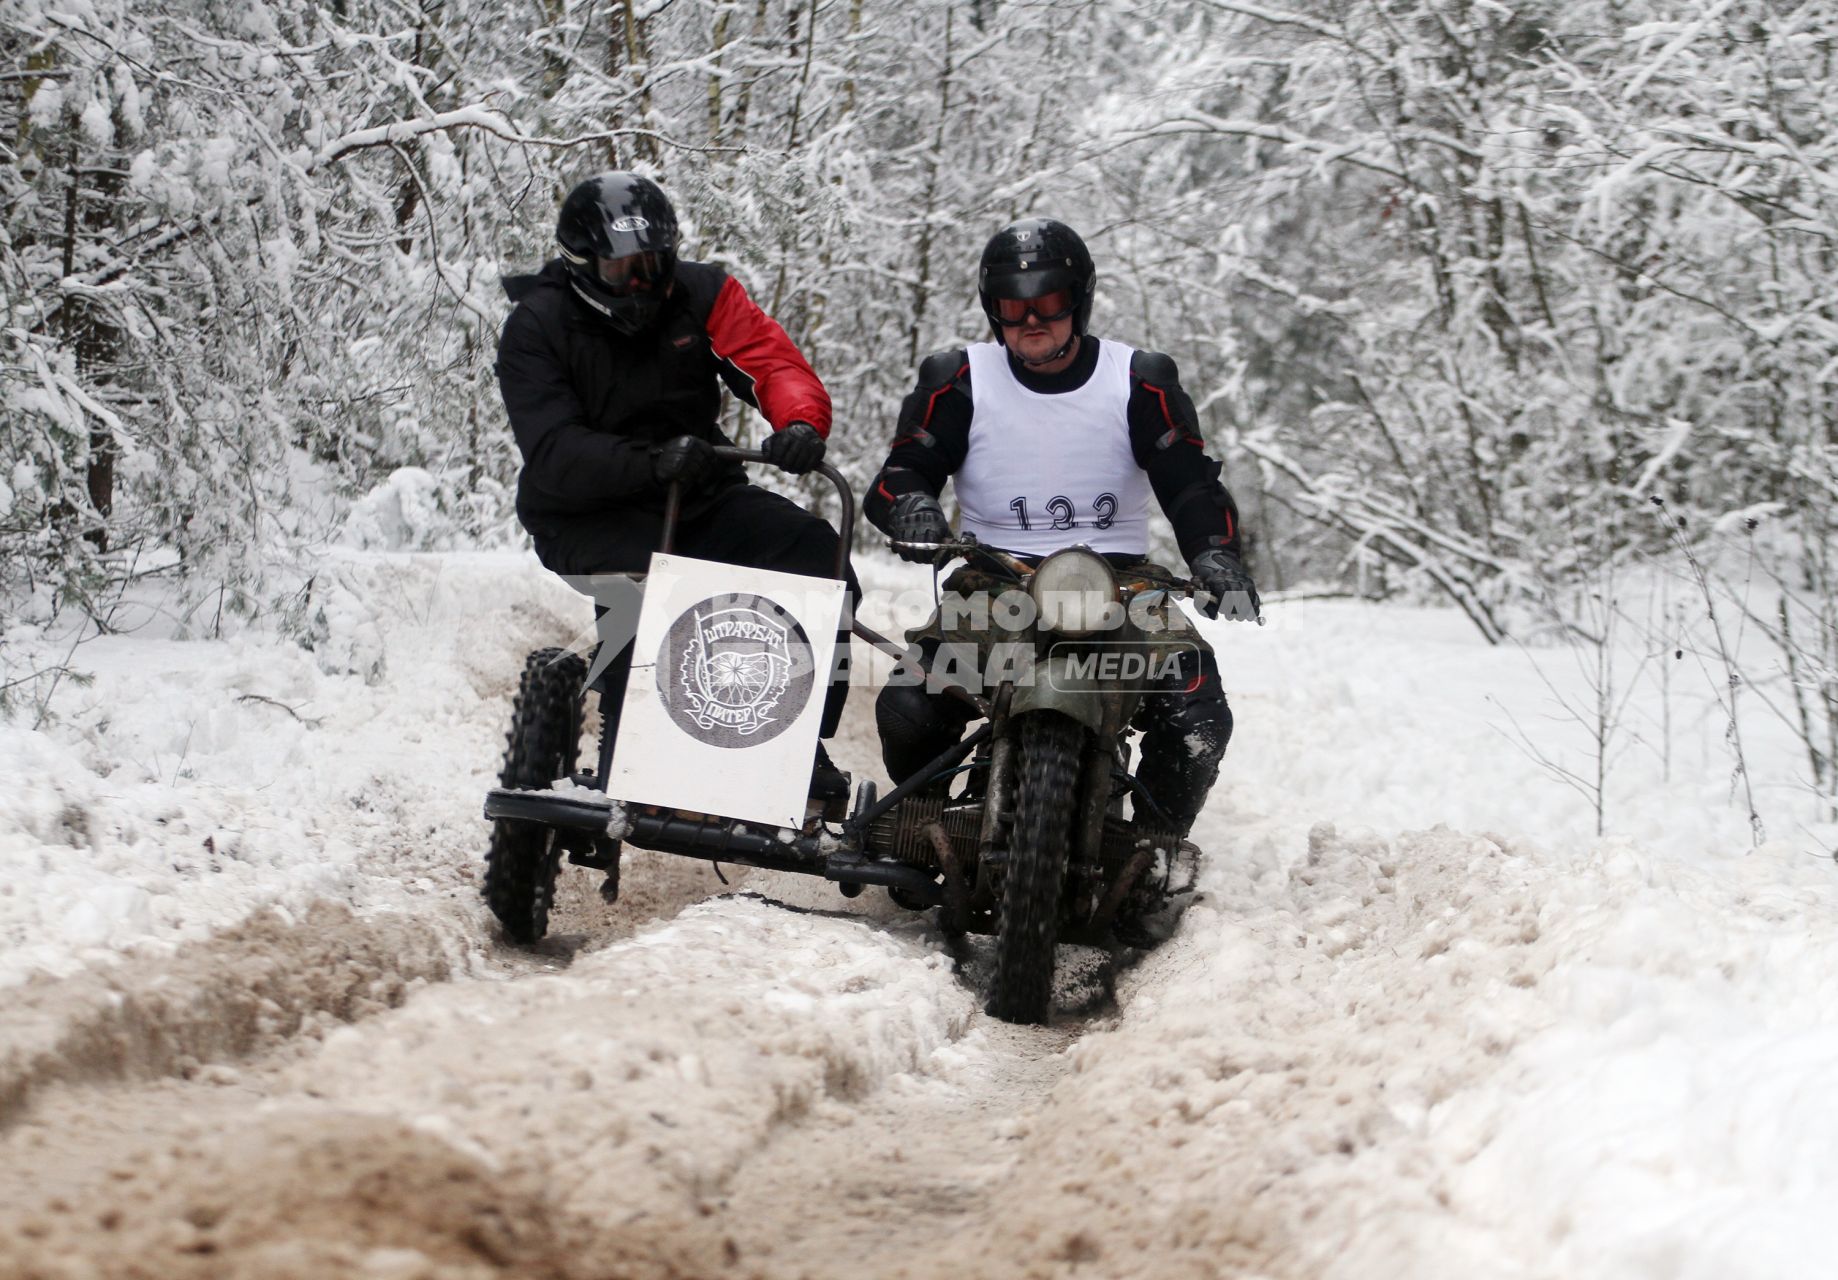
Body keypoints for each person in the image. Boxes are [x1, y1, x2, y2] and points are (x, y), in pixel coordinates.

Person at [863, 217, 1259, 836]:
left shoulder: (1139, 379)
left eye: (1047, 302)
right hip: (993, 584)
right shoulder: (959, 379)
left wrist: (1215, 554)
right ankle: (928, 827)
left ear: (1078, 299)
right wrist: (912, 506)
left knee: (1197, 718)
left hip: (1123, 589)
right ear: (993, 311)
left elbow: (1190, 485)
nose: (1031, 321)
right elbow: (902, 472)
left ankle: (1153, 848)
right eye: (1012, 307)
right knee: (908, 710)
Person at [496, 171, 855, 799]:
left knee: (818, 555)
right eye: (622, 271)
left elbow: (773, 363)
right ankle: (627, 733)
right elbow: (553, 451)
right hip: (589, 512)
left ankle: (799, 741)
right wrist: (650, 462)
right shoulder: (537, 326)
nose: (641, 285)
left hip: (698, 494)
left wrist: (798, 422)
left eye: (654, 265)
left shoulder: (701, 293)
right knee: (656, 589)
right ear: (581, 267)